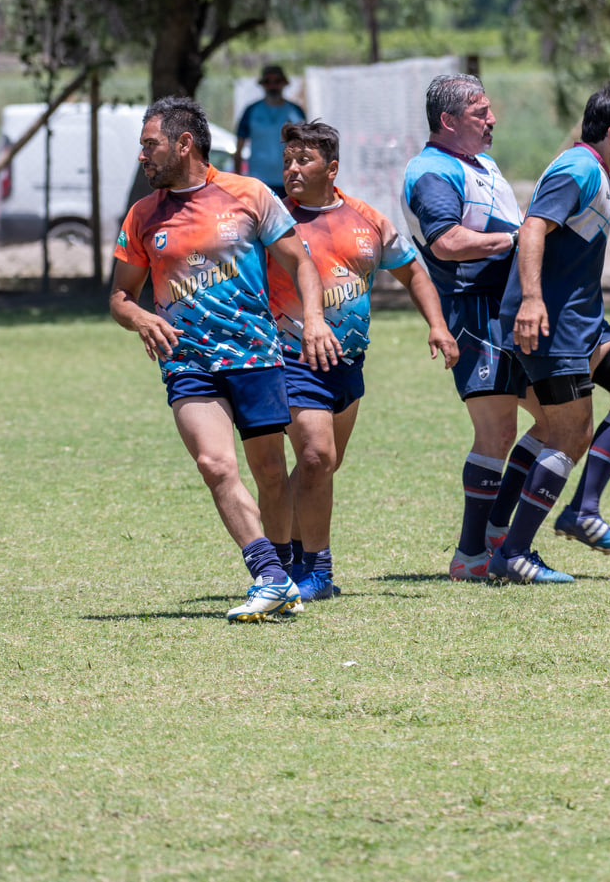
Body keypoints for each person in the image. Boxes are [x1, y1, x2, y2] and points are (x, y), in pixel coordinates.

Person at [109, 96, 340, 623]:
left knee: (271, 474)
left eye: (151, 145)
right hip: (187, 361)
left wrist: (315, 318)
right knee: (215, 464)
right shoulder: (144, 215)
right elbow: (121, 295)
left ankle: (280, 576)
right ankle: (271, 575)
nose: (143, 156)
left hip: (256, 354)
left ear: (183, 143)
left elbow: (300, 263)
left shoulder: (249, 193)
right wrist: (141, 318)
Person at [266, 119, 458, 602]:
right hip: (290, 356)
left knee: (322, 467)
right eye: (287, 160)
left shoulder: (367, 219)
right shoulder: (271, 223)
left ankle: (287, 556)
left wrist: (436, 324)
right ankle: (317, 569)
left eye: (303, 160)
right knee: (315, 455)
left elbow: (413, 272)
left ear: (331, 168)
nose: (292, 168)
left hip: (348, 364)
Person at [496, 85, 610, 585]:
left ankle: (582, 510)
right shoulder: (578, 168)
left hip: (585, 320)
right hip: (554, 323)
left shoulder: (595, 170)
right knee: (568, 434)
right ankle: (513, 552)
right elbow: (533, 229)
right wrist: (532, 299)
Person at [401, 74, 531, 582]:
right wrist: (519, 241)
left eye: (490, 110)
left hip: (507, 305)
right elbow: (447, 243)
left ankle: (496, 531)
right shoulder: (432, 171)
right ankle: (472, 554)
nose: (492, 119)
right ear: (448, 120)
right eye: (481, 113)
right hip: (474, 310)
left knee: (557, 423)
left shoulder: (481, 164)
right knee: (497, 430)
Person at [234, 64, 306, 193]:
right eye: (268, 81)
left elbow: (306, 147)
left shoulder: (296, 111)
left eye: (277, 81)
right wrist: (238, 182)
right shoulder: (251, 111)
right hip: (258, 181)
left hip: (291, 179)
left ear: (284, 83)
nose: (272, 86)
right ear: (263, 84)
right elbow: (238, 150)